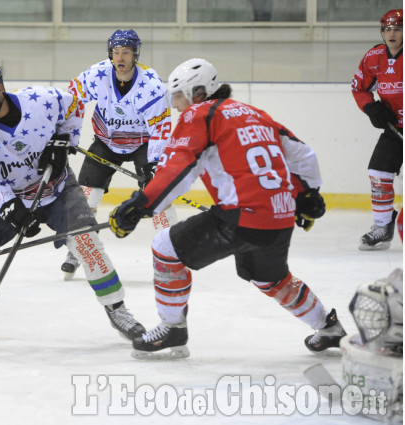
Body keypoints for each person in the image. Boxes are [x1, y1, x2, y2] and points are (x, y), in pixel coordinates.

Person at [109, 58, 347, 359]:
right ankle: (329, 329)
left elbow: (179, 170)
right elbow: (304, 156)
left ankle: (172, 329)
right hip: (280, 214)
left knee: (165, 247)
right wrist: (307, 197)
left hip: (242, 216)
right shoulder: (255, 114)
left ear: (199, 92)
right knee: (271, 278)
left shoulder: (200, 114)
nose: (176, 104)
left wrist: (140, 206)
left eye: (179, 95)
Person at [0, 60, 145, 340]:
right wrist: (11, 209)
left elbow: (74, 104)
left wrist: (64, 139)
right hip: (9, 197)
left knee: (87, 243)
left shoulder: (41, 101)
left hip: (58, 189)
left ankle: (117, 309)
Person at [62, 28, 177, 279]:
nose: (120, 57)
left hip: (143, 144)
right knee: (86, 195)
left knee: (158, 194)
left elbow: (161, 128)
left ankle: (170, 255)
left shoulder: (151, 85)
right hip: (106, 141)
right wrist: (68, 135)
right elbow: (73, 100)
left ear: (135, 55)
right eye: (116, 52)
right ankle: (77, 250)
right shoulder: (97, 74)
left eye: (126, 52)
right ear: (110, 54)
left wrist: (157, 162)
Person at [351, 9, 403, 251]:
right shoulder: (374, 57)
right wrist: (371, 107)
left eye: (398, 28)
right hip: (395, 130)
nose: (392, 33)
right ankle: (383, 225)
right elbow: (359, 88)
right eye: (388, 29)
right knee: (378, 172)